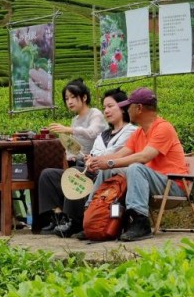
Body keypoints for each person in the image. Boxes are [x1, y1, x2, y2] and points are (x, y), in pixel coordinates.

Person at [82, 87, 189, 241]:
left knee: (135, 167)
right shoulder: (138, 132)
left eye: (129, 106)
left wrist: (110, 162)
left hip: (173, 185)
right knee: (108, 171)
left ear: (139, 108)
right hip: (149, 182)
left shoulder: (163, 128)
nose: (126, 110)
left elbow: (144, 157)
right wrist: (98, 161)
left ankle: (140, 222)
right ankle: (91, 215)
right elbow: (119, 155)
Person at [37, 88, 136, 237]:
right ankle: (56, 218)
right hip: (92, 171)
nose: (106, 111)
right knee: (48, 175)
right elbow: (95, 153)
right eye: (104, 107)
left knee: (76, 174)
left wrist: (95, 159)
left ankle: (75, 221)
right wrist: (89, 158)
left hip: (111, 175)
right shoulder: (103, 135)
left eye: (110, 106)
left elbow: (116, 153)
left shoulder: (131, 131)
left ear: (122, 108)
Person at [47, 78, 108, 165]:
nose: (69, 102)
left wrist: (69, 130)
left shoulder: (95, 114)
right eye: (67, 99)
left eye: (73, 97)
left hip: (96, 164)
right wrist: (70, 156)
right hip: (80, 163)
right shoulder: (75, 120)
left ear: (84, 97)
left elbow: (92, 133)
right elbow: (73, 146)